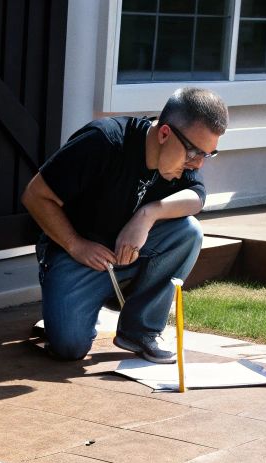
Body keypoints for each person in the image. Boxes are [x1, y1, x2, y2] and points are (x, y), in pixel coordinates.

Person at [22, 87, 228, 363]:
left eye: (208, 154)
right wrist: (76, 244)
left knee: (188, 232)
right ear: (165, 133)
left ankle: (140, 330)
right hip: (75, 254)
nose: (198, 165)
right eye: (193, 152)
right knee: (69, 348)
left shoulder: (181, 165)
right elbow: (35, 195)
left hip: (123, 254)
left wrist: (147, 214)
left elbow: (197, 197)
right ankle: (72, 310)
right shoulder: (103, 141)